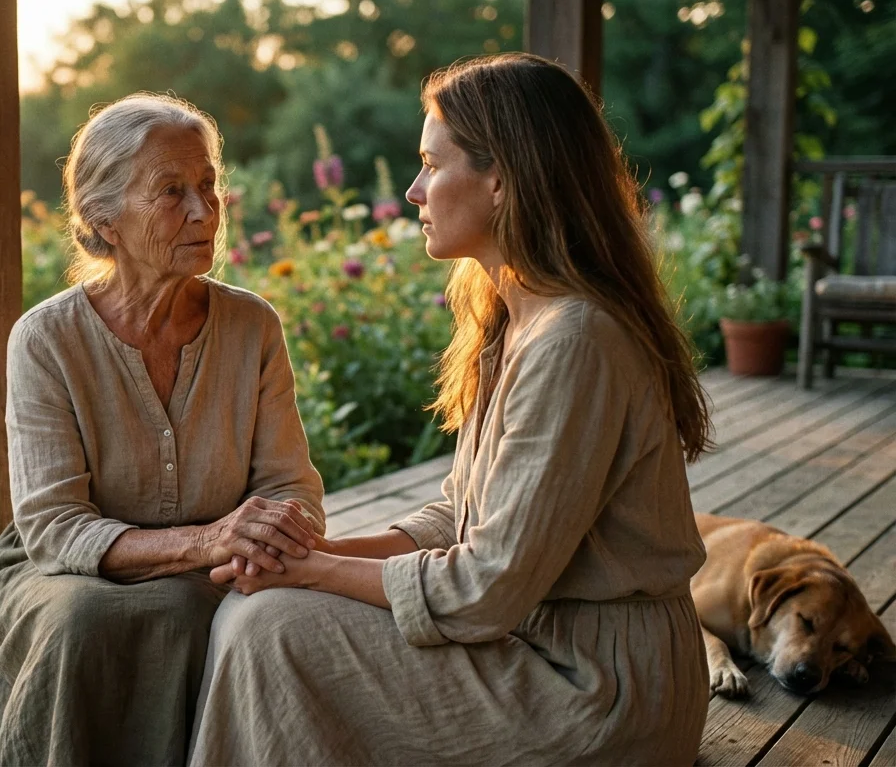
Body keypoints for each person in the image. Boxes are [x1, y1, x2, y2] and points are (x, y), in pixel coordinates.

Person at [190, 53, 714, 766]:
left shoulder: (576, 341)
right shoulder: (515, 321)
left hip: (598, 691)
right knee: (257, 609)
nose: (413, 191)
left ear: (500, 178)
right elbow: (457, 519)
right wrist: (309, 552)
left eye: (432, 166)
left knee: (273, 625)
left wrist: (306, 574)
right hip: (538, 648)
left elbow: (483, 589)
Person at [0, 92, 326, 766]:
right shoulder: (46, 340)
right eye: (171, 191)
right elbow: (54, 528)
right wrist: (208, 538)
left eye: (208, 186)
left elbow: (291, 489)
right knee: (85, 621)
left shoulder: (253, 327)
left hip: (214, 566)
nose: (204, 211)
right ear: (103, 219)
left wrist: (266, 535)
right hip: (68, 571)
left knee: (242, 616)